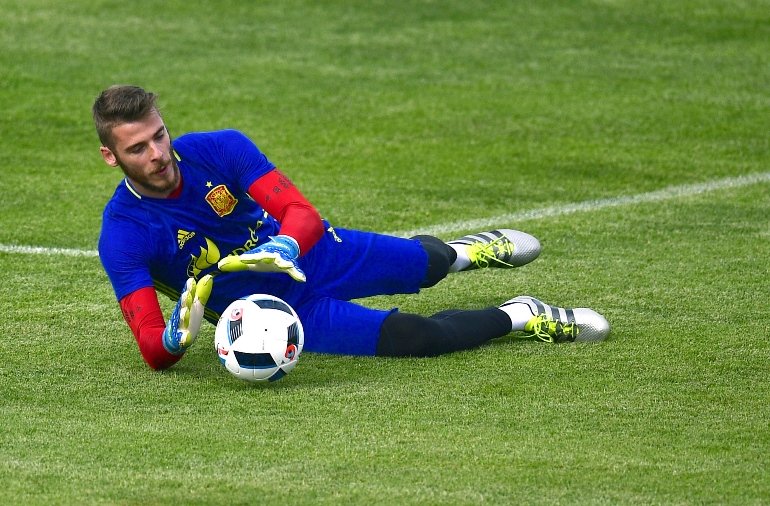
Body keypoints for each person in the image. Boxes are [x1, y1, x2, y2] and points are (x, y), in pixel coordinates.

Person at [93, 85, 610, 371]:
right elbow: (151, 350)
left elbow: (303, 215)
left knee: (425, 266)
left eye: (159, 135)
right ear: (111, 157)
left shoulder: (219, 147)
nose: (159, 154)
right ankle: (520, 314)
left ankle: (463, 252)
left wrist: (285, 246)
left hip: (314, 253)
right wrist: (176, 337)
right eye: (138, 148)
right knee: (417, 338)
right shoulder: (122, 234)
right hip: (281, 312)